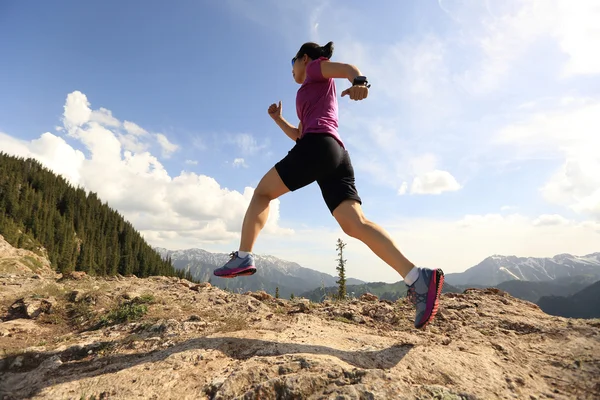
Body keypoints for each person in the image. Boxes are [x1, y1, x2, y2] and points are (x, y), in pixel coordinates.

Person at [214, 41, 444, 329]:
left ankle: (243, 257)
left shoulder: (314, 68)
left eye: (292, 62)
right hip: (335, 153)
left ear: (305, 58)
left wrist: (359, 82)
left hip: (319, 146)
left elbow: (348, 69)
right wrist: (278, 119)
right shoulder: (309, 91)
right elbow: (300, 134)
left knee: (262, 193)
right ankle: (418, 278)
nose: (292, 70)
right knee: (354, 223)